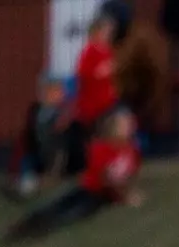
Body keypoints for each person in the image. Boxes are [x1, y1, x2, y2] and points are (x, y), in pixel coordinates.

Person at [5, 106, 143, 243]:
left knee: (68, 216)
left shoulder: (131, 151)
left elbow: (129, 175)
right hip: (90, 191)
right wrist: (124, 197)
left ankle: (34, 231)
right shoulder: (100, 148)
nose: (128, 128)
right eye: (122, 124)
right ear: (112, 127)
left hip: (101, 198)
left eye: (129, 124)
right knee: (56, 207)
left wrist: (128, 191)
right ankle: (22, 229)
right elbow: (105, 179)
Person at [59, 1, 130, 177]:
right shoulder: (89, 51)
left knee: (124, 122)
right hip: (95, 106)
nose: (109, 34)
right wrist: (101, 71)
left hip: (108, 102)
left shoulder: (108, 51)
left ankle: (120, 161)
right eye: (106, 31)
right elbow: (83, 75)